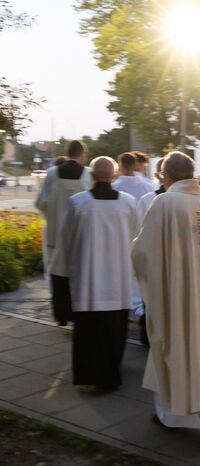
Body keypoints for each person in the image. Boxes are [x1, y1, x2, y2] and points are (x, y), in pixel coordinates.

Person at [132, 151, 200, 449]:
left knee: (181, 349)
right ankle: (169, 414)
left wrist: (133, 250)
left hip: (179, 294)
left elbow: (145, 252)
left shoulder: (165, 202)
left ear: (166, 177)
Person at [49, 156, 138, 392]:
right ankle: (110, 375)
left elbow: (65, 243)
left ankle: (89, 374)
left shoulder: (78, 203)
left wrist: (60, 274)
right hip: (118, 281)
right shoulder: (128, 203)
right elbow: (135, 239)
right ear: (114, 176)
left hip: (89, 281)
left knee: (88, 332)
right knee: (113, 332)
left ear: (91, 175)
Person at [35, 140, 92, 287]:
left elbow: (40, 203)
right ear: (82, 154)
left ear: (67, 154)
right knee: (80, 279)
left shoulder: (51, 173)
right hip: (81, 237)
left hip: (55, 237)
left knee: (57, 279)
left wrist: (53, 214)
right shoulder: (88, 174)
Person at [132, 157, 166, 346]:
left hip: (154, 259)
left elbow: (138, 233)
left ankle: (149, 336)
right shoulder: (148, 199)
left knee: (151, 299)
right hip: (167, 261)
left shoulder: (148, 200)